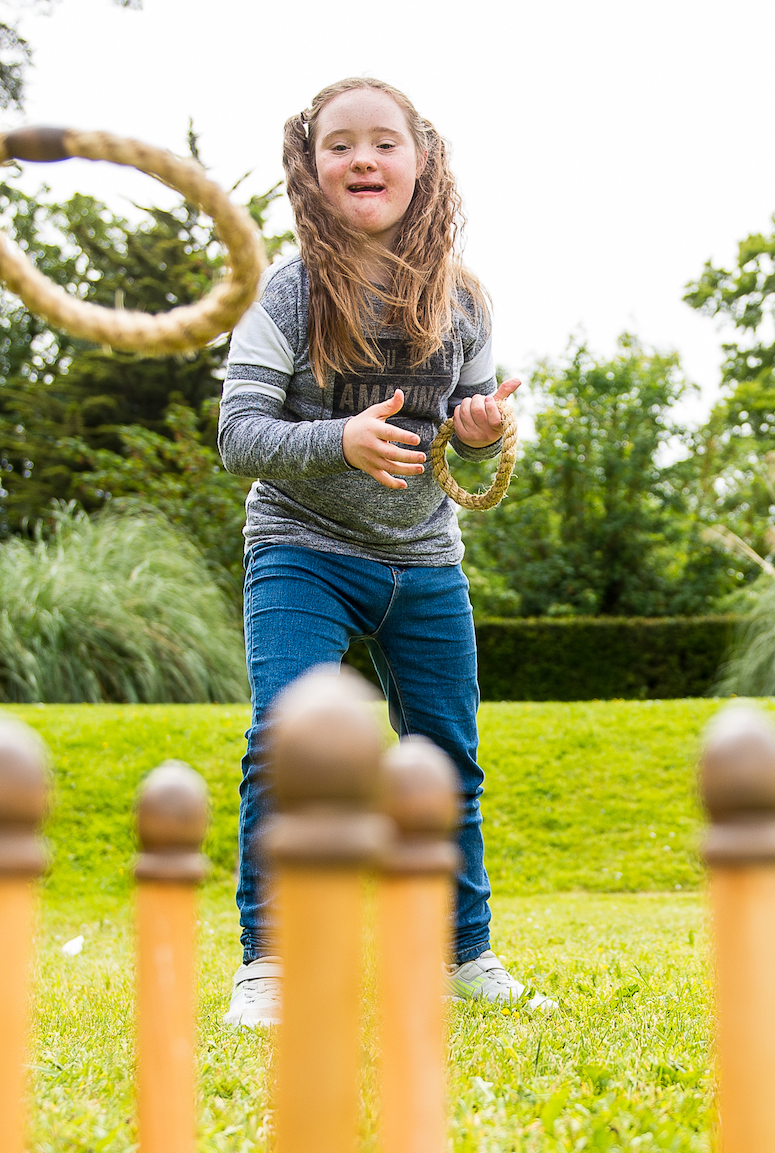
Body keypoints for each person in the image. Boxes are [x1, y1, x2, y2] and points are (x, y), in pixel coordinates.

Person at [216, 76, 542, 1025]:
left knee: (446, 757)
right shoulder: (284, 293)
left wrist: (478, 431)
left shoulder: (465, 301)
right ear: (310, 170)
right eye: (339, 145)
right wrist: (340, 438)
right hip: (301, 548)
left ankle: (463, 957)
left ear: (422, 161)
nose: (363, 158)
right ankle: (267, 968)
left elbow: (465, 446)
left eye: (384, 142)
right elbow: (238, 436)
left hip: (425, 561)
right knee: (285, 744)